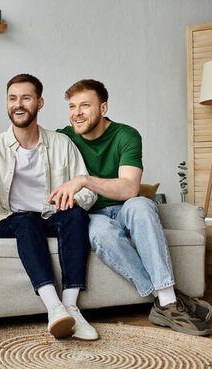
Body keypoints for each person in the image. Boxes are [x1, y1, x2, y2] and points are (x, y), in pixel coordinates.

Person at [51, 79, 212, 336]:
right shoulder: (63, 138)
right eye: (72, 106)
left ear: (103, 108)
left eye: (84, 105)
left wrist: (84, 180)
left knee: (141, 205)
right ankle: (168, 299)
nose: (76, 113)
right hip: (92, 215)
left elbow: (129, 189)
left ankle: (167, 301)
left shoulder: (125, 134)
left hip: (126, 208)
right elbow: (29, 148)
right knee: (100, 233)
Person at [0, 74, 98, 340]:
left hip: (50, 216)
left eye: (26, 98)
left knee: (76, 214)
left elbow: (87, 191)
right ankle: (54, 308)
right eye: (12, 98)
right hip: (10, 220)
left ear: (40, 102)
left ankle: (71, 307)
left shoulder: (61, 143)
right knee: (26, 220)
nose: (18, 104)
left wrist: (71, 199)